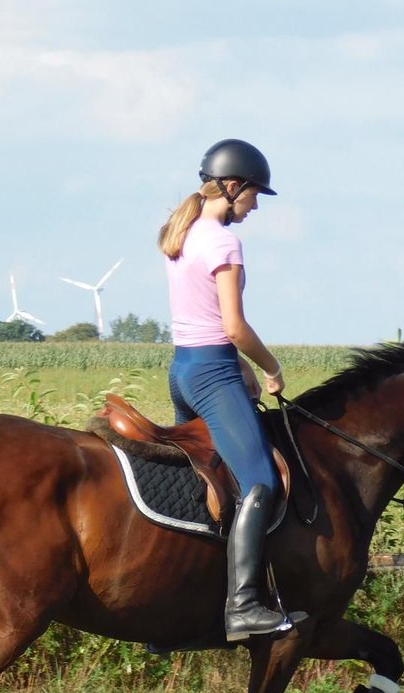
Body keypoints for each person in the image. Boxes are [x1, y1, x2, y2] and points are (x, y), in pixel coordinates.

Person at [158, 138, 290, 642]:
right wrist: (272, 367)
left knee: (207, 486)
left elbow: (204, 320)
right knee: (259, 482)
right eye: (254, 194)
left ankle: (176, 606)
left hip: (184, 370)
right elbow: (233, 326)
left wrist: (243, 369)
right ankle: (244, 607)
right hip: (214, 375)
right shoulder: (223, 241)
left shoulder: (183, 233)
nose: (255, 206)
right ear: (233, 187)